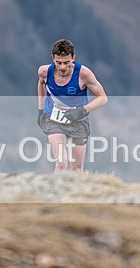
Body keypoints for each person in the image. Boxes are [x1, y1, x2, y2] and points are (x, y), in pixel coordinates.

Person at [37, 38, 108, 172]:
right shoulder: (44, 72)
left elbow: (103, 98)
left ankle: (76, 192)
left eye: (67, 62)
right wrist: (40, 110)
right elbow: (41, 84)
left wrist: (82, 110)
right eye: (58, 62)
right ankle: (57, 191)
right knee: (61, 163)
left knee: (76, 168)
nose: (63, 67)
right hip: (54, 119)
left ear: (73, 58)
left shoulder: (84, 74)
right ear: (53, 58)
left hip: (78, 122)